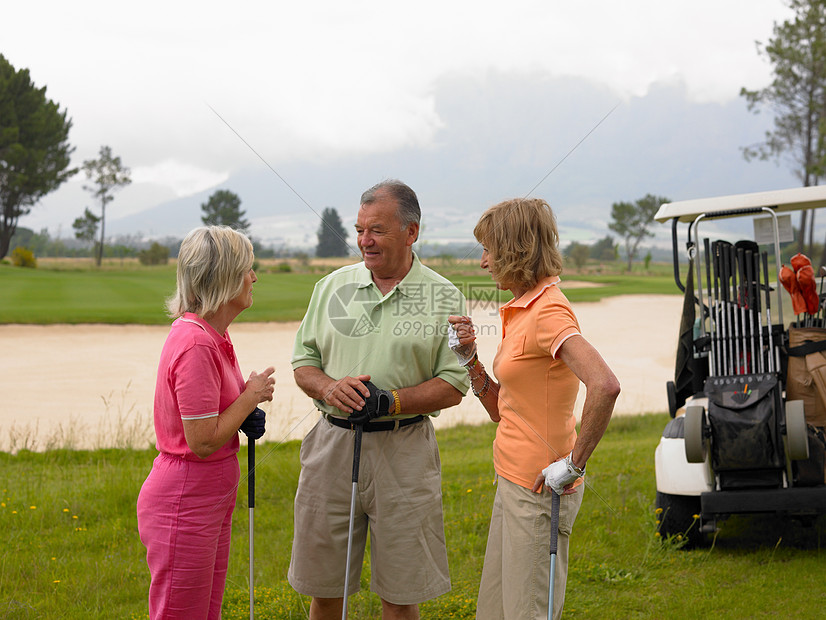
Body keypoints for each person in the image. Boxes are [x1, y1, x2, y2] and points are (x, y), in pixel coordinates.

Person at [288, 179, 470, 619]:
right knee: (325, 589)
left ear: (411, 232)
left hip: (404, 454)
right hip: (331, 446)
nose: (365, 241)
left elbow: (454, 382)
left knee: (401, 594)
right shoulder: (331, 287)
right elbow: (303, 361)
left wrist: (391, 401)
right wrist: (329, 387)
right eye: (359, 229)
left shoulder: (445, 296)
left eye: (377, 230)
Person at [447, 198, 620, 620]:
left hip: (541, 494)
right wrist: (470, 359)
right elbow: (503, 409)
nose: (484, 262)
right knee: (494, 611)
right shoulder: (521, 309)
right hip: (511, 482)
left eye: (489, 250)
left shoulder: (549, 310)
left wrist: (575, 465)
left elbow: (605, 384)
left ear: (514, 250)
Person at [137, 225, 276, 619]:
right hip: (186, 500)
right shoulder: (197, 342)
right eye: (247, 268)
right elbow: (201, 440)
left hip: (207, 497)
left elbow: (216, 419)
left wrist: (243, 411)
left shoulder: (214, 335)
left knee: (203, 611)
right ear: (225, 277)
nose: (254, 276)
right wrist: (250, 397)